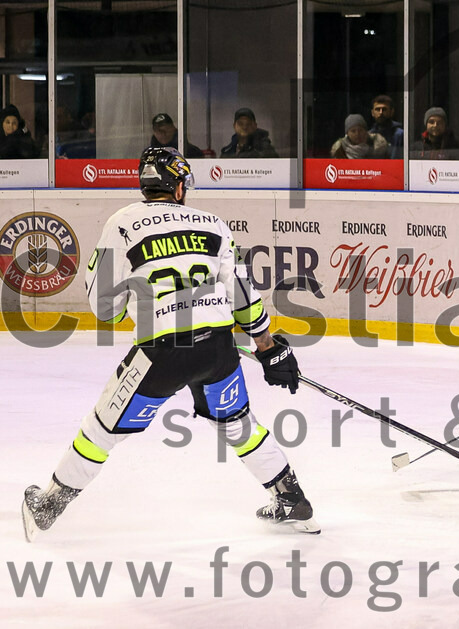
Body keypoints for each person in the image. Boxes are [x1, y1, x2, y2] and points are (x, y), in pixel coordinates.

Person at [21, 147, 319, 542]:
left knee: (100, 431)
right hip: (217, 351)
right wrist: (267, 346)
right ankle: (291, 498)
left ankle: (50, 505)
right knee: (238, 424)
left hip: (159, 355)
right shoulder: (214, 224)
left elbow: (103, 306)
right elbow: (243, 294)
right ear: (178, 186)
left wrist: (141, 302)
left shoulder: (122, 222)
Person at [369, 95, 404, 159]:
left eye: (384, 109)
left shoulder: (400, 135)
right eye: (377, 109)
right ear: (372, 113)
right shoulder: (369, 135)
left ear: (391, 111)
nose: (381, 112)